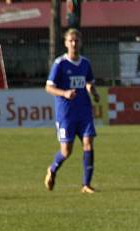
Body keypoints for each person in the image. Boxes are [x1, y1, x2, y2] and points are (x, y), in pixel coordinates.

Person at [44, 28, 99, 194]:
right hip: (66, 113)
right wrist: (65, 93)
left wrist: (93, 92)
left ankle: (86, 184)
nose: (74, 43)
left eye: (76, 40)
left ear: (80, 42)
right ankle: (52, 169)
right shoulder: (60, 64)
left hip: (84, 111)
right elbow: (48, 87)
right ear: (66, 43)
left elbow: (88, 82)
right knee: (66, 151)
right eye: (71, 40)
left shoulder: (85, 63)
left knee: (88, 143)